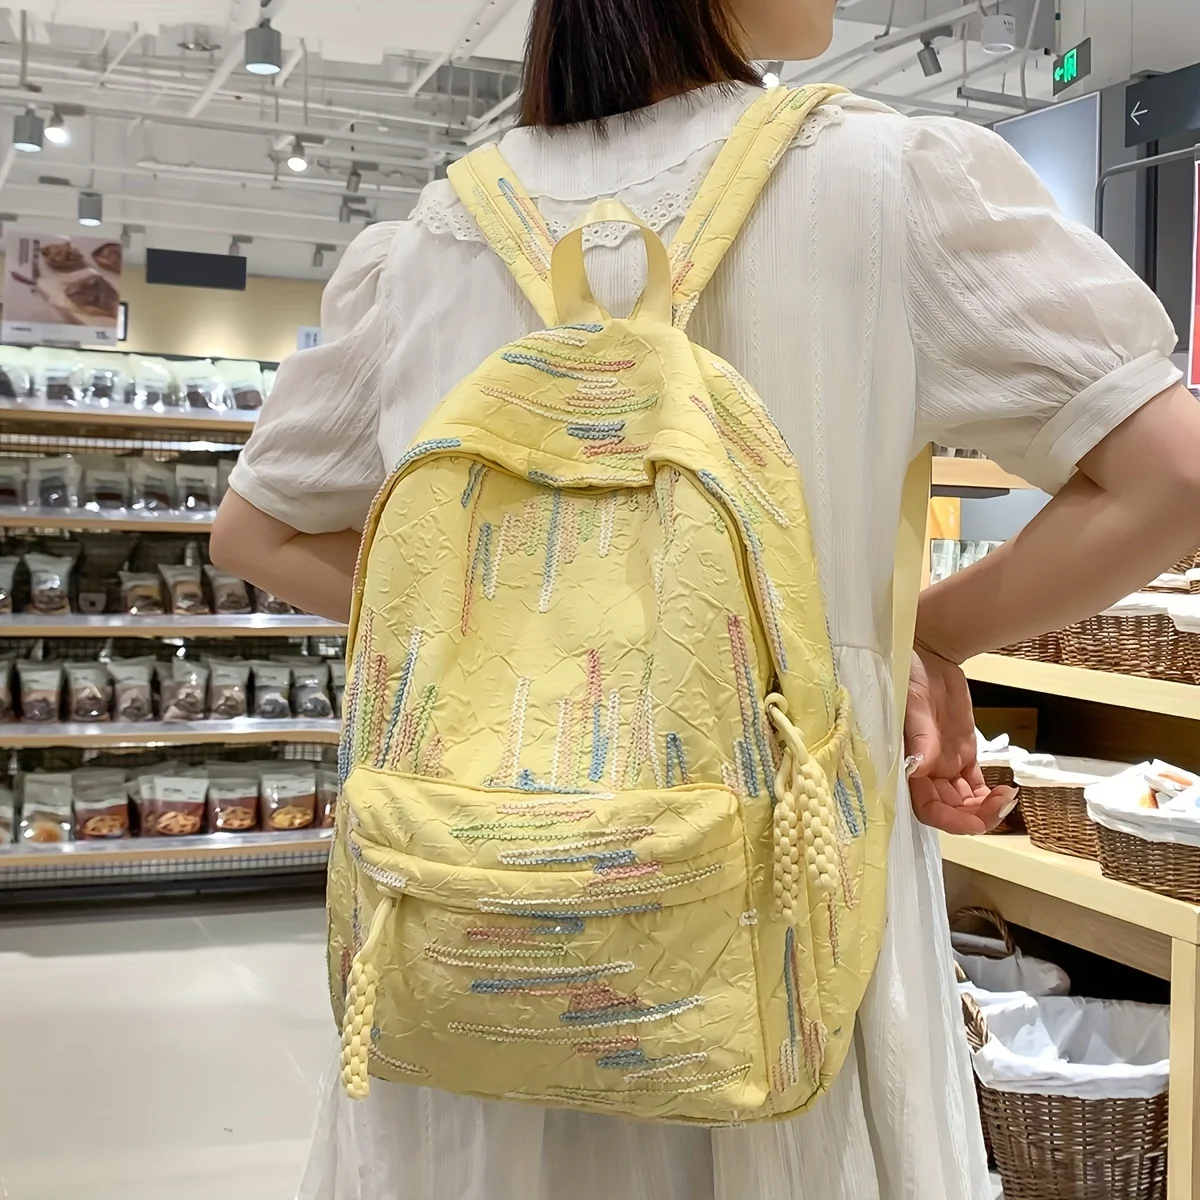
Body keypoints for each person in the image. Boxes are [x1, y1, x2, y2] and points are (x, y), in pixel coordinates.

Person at [212, 0, 1200, 1195]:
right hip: (757, 942)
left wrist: (481, 635)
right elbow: (1172, 478)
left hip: (470, 944)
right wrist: (923, 637)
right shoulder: (884, 187)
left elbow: (257, 530)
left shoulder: (429, 246)